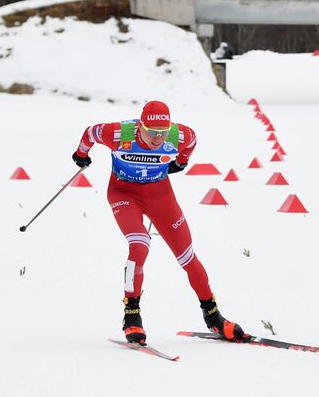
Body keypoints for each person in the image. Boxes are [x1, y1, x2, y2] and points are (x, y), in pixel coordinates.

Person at [72, 100, 247, 346]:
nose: (157, 139)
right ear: (139, 126)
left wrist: (181, 162)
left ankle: (213, 316)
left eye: (162, 133)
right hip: (124, 194)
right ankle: (131, 315)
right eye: (152, 133)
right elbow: (91, 132)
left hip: (159, 195)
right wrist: (81, 154)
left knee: (187, 256)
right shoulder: (117, 133)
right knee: (140, 244)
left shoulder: (178, 135)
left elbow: (192, 141)